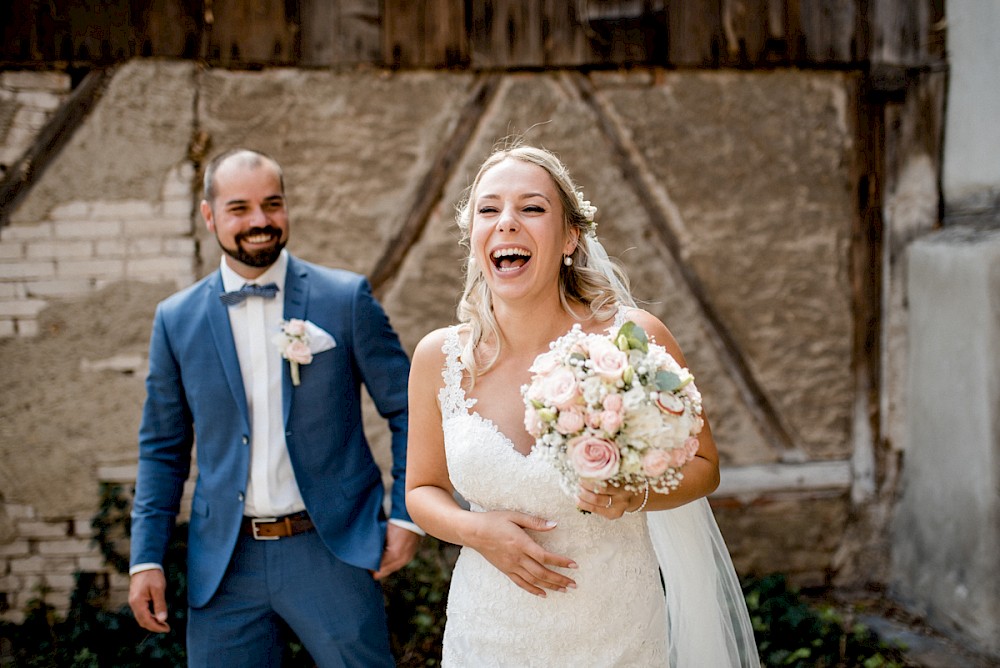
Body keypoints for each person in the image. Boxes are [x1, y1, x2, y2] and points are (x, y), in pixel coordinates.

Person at [405, 143, 759, 666]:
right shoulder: (440, 357)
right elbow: (421, 489)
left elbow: (704, 469)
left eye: (531, 207)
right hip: (488, 630)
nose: (506, 222)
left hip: (616, 629)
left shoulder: (633, 340)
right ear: (474, 236)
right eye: (489, 209)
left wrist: (630, 495)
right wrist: (475, 530)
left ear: (571, 235)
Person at [128, 148, 421, 667]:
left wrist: (406, 514)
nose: (260, 221)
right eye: (240, 208)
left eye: (273, 204)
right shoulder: (176, 320)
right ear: (209, 215)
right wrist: (146, 557)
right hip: (225, 563)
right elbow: (163, 449)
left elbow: (408, 408)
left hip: (330, 548)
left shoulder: (344, 298)